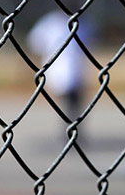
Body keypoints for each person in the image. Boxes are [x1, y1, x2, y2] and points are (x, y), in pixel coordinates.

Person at [28, 7, 86, 141]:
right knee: (70, 102)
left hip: (75, 70)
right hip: (56, 68)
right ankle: (70, 131)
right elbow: (35, 43)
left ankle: (71, 131)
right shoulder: (50, 23)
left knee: (74, 103)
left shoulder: (80, 22)